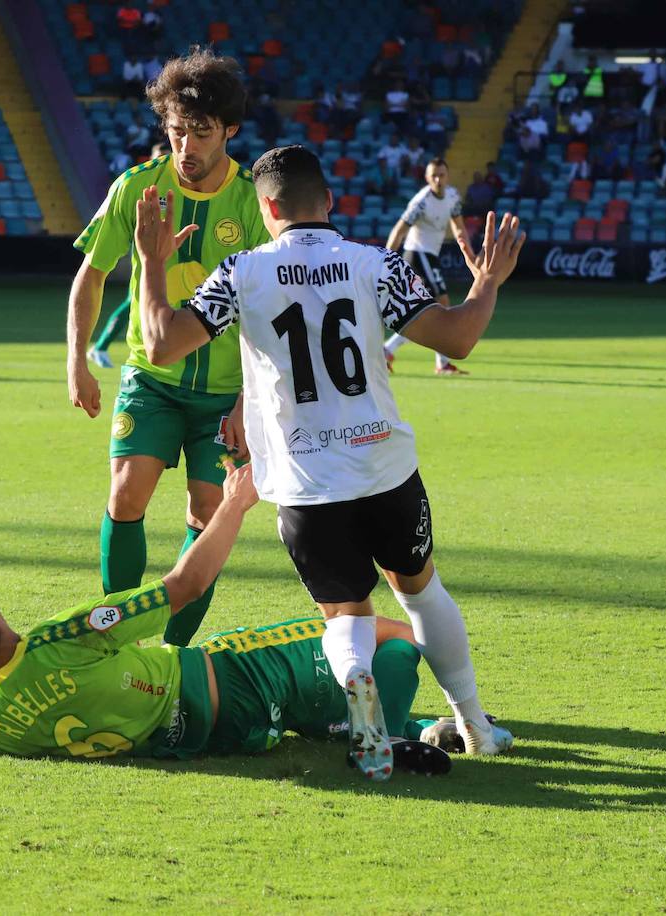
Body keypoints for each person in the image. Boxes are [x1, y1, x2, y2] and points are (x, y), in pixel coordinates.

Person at [129, 144, 521, 778]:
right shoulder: (375, 264)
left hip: (306, 483)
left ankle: (360, 685)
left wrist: (151, 261)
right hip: (385, 468)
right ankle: (475, 725)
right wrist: (486, 283)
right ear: (329, 202)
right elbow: (458, 336)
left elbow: (162, 342)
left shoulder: (242, 272)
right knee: (420, 590)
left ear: (267, 207)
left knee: (345, 615)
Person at [0, 466, 453, 779]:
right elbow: (184, 585)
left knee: (331, 684)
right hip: (227, 682)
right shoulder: (63, 638)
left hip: (205, 744)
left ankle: (392, 729)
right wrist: (236, 501)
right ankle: (377, 735)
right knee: (387, 638)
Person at [66, 48, 272, 650]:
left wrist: (247, 402)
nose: (186, 146)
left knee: (208, 515)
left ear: (230, 130)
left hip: (225, 396)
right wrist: (76, 362)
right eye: (177, 131)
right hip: (151, 381)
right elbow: (92, 274)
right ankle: (114, 637)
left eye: (201, 132)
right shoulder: (136, 187)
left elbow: (271, 312)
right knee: (126, 492)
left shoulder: (255, 205)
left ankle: (175, 653)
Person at [381, 158, 471, 376]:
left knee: (425, 313)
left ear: (447, 176)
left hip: (430, 256)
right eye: (434, 176)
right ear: (427, 178)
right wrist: (384, 260)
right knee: (443, 305)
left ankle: (388, 351)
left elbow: (459, 228)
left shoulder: (452, 197)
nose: (438, 179)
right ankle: (442, 363)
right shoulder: (421, 201)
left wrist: (471, 254)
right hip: (417, 254)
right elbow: (399, 230)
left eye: (441, 174)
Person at [88, 141, 171, 370]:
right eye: (158, 156)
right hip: (146, 252)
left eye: (166, 155)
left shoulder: (175, 185)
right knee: (133, 300)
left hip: (170, 252)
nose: (162, 160)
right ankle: (101, 347)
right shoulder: (140, 184)